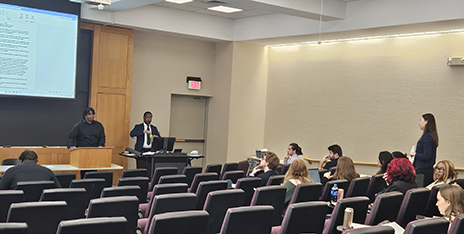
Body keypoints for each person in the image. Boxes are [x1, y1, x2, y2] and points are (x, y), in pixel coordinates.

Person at [410, 113, 438, 186]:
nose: (419, 123)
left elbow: (427, 155)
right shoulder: (431, 136)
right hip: (427, 170)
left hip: (422, 172)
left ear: (426, 121)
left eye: (420, 120)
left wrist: (415, 154)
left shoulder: (427, 137)